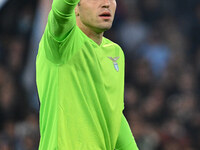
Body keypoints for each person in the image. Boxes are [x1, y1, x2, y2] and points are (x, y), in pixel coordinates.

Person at [36, 0, 139, 149]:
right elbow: (60, 11)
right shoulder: (61, 41)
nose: (106, 3)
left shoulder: (115, 52)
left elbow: (113, 113)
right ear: (75, 7)